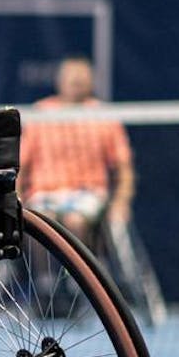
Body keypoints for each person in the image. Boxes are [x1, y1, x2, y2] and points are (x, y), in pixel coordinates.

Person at [18, 56, 135, 247]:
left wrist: (121, 203)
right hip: (44, 195)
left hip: (88, 194)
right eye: (72, 78)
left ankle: (77, 277)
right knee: (42, 222)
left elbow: (124, 167)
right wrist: (18, 199)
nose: (76, 82)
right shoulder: (40, 113)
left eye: (81, 78)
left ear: (91, 81)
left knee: (75, 221)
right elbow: (20, 165)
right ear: (60, 81)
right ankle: (44, 277)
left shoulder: (103, 115)